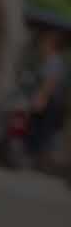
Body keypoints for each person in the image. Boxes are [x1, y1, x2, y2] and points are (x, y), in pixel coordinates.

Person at [25, 32, 67, 169]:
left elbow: (50, 82)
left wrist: (41, 99)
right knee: (40, 129)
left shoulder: (54, 61)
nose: (43, 46)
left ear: (52, 45)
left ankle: (36, 159)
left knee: (40, 129)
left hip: (50, 102)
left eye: (45, 43)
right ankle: (36, 159)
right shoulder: (52, 60)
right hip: (50, 101)